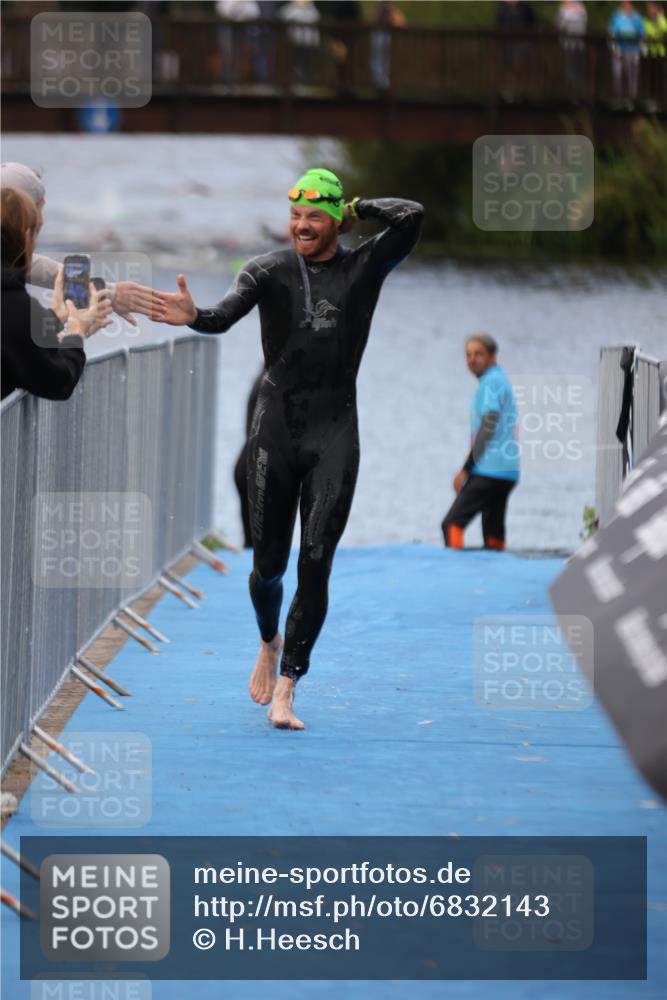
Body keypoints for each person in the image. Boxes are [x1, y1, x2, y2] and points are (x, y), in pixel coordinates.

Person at [150, 167, 423, 729]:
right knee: (268, 567)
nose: (300, 225)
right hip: (275, 432)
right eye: (295, 215)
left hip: (334, 431)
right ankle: (268, 640)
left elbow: (412, 216)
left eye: (313, 217)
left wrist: (361, 204)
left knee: (316, 561)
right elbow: (222, 316)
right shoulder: (267, 271)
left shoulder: (364, 266)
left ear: (335, 220)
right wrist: (193, 316)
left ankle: (289, 686)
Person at [0, 161, 156, 326]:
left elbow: (30, 265)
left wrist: (109, 291)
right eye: (38, 210)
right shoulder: (15, 303)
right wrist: (76, 333)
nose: (41, 220)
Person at [1, 187, 112, 400]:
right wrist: (76, 333)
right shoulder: (15, 305)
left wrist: (54, 319)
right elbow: (57, 382)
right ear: (26, 237)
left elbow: (14, 342)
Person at [441, 334, 519, 552]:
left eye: (478, 354)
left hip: (489, 469)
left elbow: (488, 425)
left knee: (451, 524)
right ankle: (497, 575)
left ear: (493, 356)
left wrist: (466, 470)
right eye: (468, 354)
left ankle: (455, 574)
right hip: (507, 471)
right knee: (493, 533)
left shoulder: (490, 382)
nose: (472, 359)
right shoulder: (501, 378)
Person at [234, 370, 264, 549]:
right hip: (257, 468)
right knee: (262, 547)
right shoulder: (272, 381)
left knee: (254, 544)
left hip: (248, 464)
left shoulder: (265, 377)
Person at [608, 0, 646, 109]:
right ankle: (618, 99)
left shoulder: (637, 17)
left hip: (633, 50)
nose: (627, 5)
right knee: (617, 75)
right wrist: (614, 47)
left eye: (629, 3)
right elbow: (612, 32)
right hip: (619, 51)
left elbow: (642, 33)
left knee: (632, 76)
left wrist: (643, 46)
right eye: (624, 3)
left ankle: (631, 100)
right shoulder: (616, 16)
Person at [556, 0, 587, 100]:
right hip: (566, 44)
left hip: (578, 44)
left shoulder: (580, 7)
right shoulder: (562, 8)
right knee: (568, 67)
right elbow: (559, 24)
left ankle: (577, 92)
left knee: (577, 67)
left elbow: (583, 24)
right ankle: (568, 91)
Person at [642, 2, 667, 110]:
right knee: (651, 78)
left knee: (661, 78)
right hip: (650, 53)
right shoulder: (645, 21)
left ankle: (661, 100)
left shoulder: (661, 20)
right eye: (649, 9)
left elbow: (665, 29)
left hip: (660, 53)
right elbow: (646, 33)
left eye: (652, 9)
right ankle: (651, 100)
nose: (651, 11)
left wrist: (661, 17)